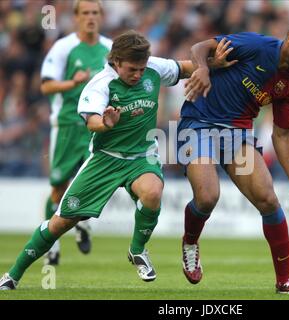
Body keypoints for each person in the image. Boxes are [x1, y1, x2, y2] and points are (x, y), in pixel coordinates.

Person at [0, 30, 233, 290]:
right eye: (132, 69)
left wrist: (212, 64)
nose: (138, 74)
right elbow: (92, 121)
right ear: (116, 61)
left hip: (142, 156)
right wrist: (106, 123)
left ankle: (137, 250)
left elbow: (188, 67)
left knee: (153, 192)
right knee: (61, 222)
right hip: (105, 159)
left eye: (142, 69)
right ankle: (13, 274)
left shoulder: (153, 67)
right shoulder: (100, 84)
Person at [177, 20, 289, 294]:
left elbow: (281, 135)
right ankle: (190, 242)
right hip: (199, 122)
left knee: (268, 199)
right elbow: (199, 47)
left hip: (237, 134)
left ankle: (284, 282)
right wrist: (204, 68)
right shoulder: (257, 46)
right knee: (207, 196)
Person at [39, 0, 112, 265]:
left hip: (96, 127)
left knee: (92, 182)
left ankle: (81, 224)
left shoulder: (110, 49)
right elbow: (45, 87)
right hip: (68, 125)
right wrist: (73, 82)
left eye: (95, 13)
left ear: (101, 16)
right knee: (58, 188)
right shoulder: (64, 47)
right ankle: (52, 243)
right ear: (76, 17)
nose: (91, 17)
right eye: (86, 13)